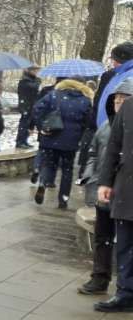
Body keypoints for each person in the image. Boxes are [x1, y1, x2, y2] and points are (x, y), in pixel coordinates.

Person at [79, 78, 132, 295]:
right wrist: (91, 176)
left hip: (125, 192)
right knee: (103, 236)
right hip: (104, 190)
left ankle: (125, 286)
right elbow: (94, 153)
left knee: (125, 242)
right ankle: (99, 277)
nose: (119, 103)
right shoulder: (105, 127)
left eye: (124, 99)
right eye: (117, 99)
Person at [96, 77, 133, 312]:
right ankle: (126, 293)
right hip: (127, 188)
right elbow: (114, 146)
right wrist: (105, 182)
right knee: (126, 244)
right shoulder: (128, 107)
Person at [32, 77, 93, 209]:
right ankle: (63, 200)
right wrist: (79, 134)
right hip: (70, 141)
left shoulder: (53, 95)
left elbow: (37, 109)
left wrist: (41, 126)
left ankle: (43, 183)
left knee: (48, 164)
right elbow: (88, 122)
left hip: (50, 136)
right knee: (67, 170)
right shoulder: (85, 100)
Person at [16, 66, 41, 149]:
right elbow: (31, 88)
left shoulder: (34, 80)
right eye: (35, 70)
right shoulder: (24, 80)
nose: (36, 72)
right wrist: (37, 82)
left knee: (29, 125)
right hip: (26, 106)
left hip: (32, 105)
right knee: (24, 124)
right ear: (29, 70)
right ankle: (20, 142)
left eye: (37, 71)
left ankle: (24, 141)